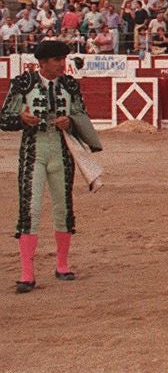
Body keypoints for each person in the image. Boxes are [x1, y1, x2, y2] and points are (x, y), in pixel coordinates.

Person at [2, 40, 102, 293]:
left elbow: (82, 117)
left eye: (63, 59)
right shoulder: (23, 83)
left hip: (61, 151)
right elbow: (4, 118)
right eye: (57, 60)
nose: (62, 64)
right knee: (30, 209)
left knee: (63, 206)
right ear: (42, 63)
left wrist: (69, 122)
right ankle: (27, 274)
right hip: (33, 151)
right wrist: (21, 119)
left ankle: (63, 265)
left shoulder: (70, 85)